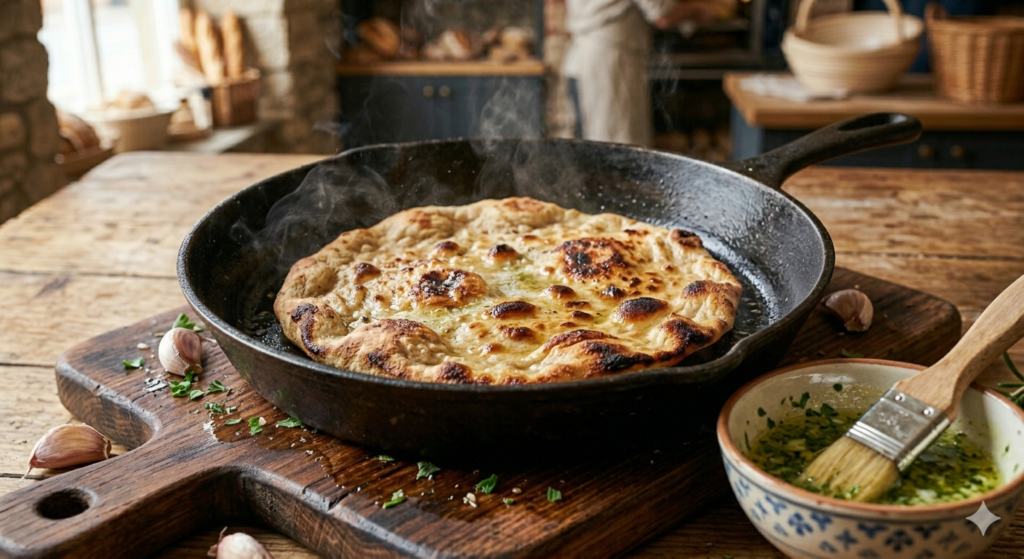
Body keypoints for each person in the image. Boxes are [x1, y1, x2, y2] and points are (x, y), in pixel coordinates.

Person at [564, 0, 717, 147]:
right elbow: (663, 15)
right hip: (612, 64)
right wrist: (698, 10)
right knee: (619, 152)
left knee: (596, 151)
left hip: (585, 61)